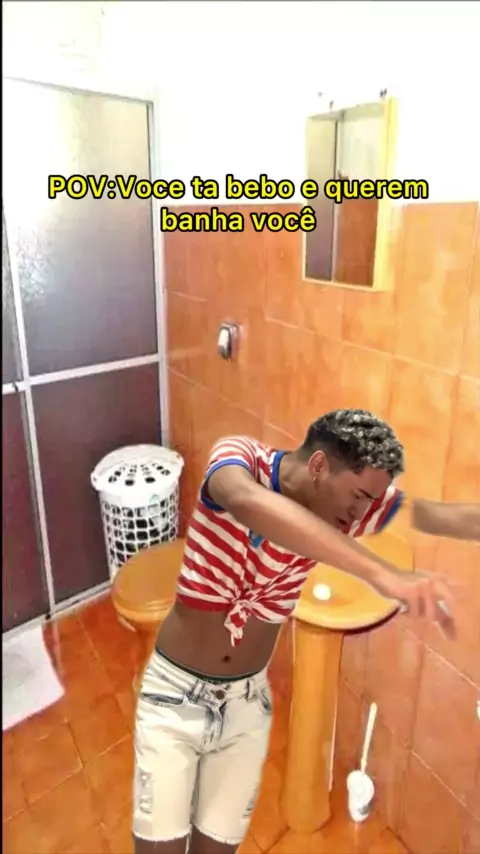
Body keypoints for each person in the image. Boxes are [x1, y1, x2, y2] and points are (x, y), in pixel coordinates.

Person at [133, 409, 455, 854]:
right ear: (319, 465)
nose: (361, 514)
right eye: (358, 496)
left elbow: (418, 510)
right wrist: (382, 574)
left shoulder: (346, 512)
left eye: (370, 501)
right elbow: (244, 499)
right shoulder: (239, 457)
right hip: (176, 695)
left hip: (245, 706)